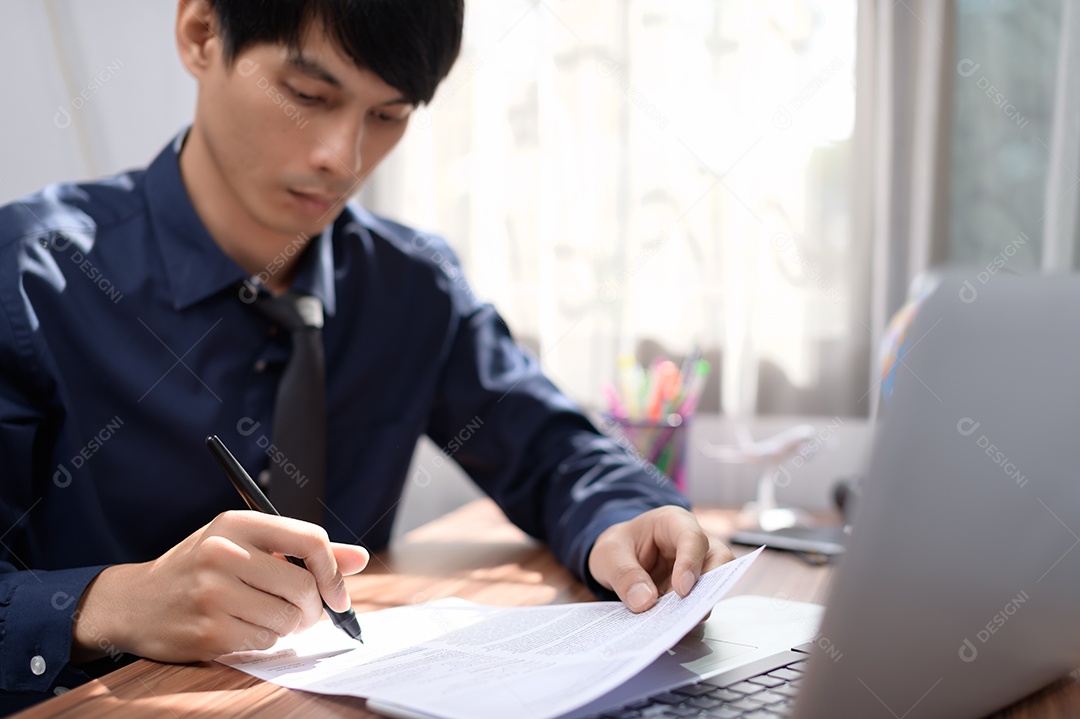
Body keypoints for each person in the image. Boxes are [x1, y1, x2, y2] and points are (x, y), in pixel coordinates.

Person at [0, 0, 732, 711]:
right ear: (199, 34)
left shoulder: (412, 286)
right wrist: (107, 604)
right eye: (307, 95)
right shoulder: (33, 276)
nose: (342, 159)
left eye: (388, 116)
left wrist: (626, 517)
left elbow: (553, 451)